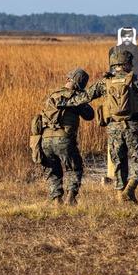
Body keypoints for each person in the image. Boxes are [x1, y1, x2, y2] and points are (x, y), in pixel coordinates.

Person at [57, 51, 138, 204]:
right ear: (126, 64)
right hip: (133, 126)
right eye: (130, 63)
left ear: (114, 64)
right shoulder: (136, 80)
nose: (132, 65)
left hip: (113, 128)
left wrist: (64, 103)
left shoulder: (104, 82)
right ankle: (130, 189)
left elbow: (84, 97)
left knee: (118, 161)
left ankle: (120, 197)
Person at [38, 69, 95, 205]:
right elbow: (89, 115)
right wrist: (83, 97)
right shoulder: (77, 97)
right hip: (64, 139)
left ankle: (57, 200)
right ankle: (70, 198)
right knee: (75, 168)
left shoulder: (53, 95)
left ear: (67, 79)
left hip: (45, 140)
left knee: (52, 170)